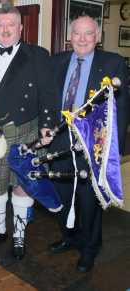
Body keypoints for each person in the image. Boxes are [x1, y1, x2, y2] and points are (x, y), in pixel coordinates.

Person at [48, 16, 129, 272]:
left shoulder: (113, 63)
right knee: (61, 195)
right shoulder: (57, 61)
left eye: (88, 33)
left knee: (88, 200)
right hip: (60, 141)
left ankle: (89, 248)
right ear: (69, 36)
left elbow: (122, 109)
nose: (82, 39)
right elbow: (48, 99)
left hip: (92, 145)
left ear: (98, 36)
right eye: (77, 33)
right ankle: (69, 237)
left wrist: (111, 151)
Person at [0, 5, 54, 260]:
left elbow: (48, 93)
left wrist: (46, 125)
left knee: (21, 185)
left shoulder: (37, 55)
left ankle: (19, 234)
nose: (6, 30)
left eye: (11, 25)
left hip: (23, 129)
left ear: (20, 28)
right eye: (0, 25)